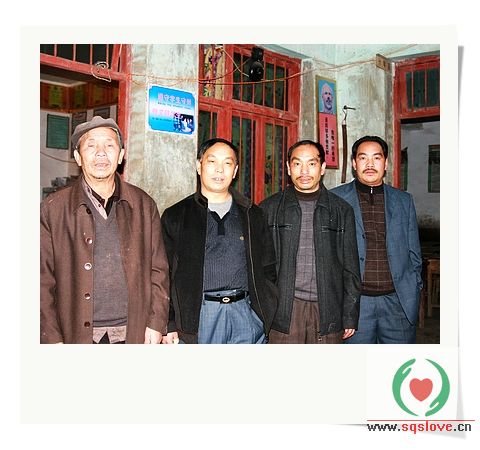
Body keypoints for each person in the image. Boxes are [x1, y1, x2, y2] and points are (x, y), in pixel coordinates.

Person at [40, 116, 170, 344]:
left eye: (109, 145)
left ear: (120, 156)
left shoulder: (143, 205)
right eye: (91, 146)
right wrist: (51, 337)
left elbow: (159, 270)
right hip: (75, 335)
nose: (101, 153)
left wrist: (156, 323)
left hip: (133, 331)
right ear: (78, 157)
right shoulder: (53, 208)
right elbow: (42, 280)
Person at [161, 138, 278, 344]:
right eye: (212, 161)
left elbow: (268, 267)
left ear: (235, 171)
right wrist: (169, 322)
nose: (219, 170)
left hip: (245, 314)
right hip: (198, 317)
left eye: (227, 163)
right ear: (199, 166)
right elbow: (164, 274)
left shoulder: (252, 214)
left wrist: (262, 314)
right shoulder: (176, 215)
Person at [260, 140, 361, 344]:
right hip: (284, 311)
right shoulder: (268, 209)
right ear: (288, 168)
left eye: (311, 164)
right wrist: (265, 310)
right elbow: (261, 268)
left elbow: (351, 268)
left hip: (328, 309)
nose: (304, 171)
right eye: (297, 163)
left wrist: (349, 315)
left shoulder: (341, 211)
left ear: (322, 168)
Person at [331, 136, 422, 344]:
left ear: (386, 163)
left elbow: (414, 254)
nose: (370, 164)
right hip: (355, 305)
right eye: (363, 158)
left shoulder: (404, 200)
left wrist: (413, 288)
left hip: (398, 304)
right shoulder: (335, 199)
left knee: (399, 363)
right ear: (354, 163)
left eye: (376, 158)